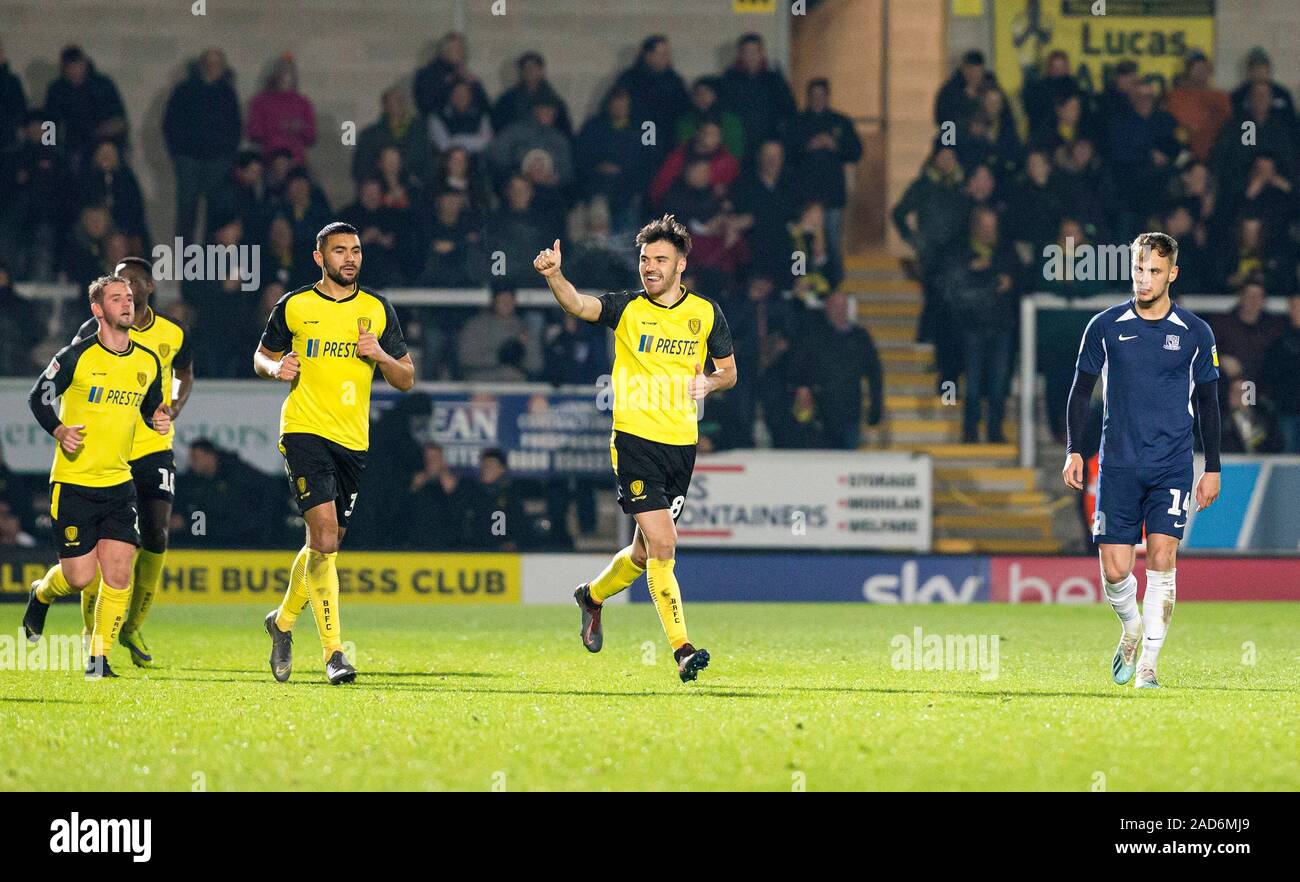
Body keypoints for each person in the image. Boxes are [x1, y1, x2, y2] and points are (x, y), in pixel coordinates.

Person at [534, 215, 736, 683]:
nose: (649, 267)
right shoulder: (627, 308)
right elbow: (578, 305)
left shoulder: (706, 314)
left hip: (681, 447)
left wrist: (708, 382)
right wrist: (554, 276)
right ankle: (683, 650)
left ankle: (592, 595)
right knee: (665, 542)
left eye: (660, 260)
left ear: (681, 265)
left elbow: (728, 371)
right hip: (634, 442)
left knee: (646, 554)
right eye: (645, 259)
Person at [253, 221, 414, 685]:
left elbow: (406, 378)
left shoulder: (378, 309)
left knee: (327, 544)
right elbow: (261, 356)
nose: (350, 258)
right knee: (323, 538)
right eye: (340, 250)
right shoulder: (296, 305)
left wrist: (380, 355)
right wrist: (275, 367)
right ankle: (335, 654)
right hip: (304, 430)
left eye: (357, 250)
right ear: (319, 257)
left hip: (353, 440)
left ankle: (282, 622)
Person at [1063, 232, 1221, 690]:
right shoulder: (1105, 326)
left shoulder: (1195, 333)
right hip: (1117, 464)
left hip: (1171, 464)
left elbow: (1210, 403)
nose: (1145, 279)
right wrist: (1075, 448)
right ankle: (1131, 627)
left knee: (1162, 560)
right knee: (1114, 569)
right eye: (1138, 269)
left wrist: (1212, 467)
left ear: (1172, 273)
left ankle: (1149, 663)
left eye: (1154, 270)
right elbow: (1081, 390)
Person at [22, 275, 169, 679]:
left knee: (119, 571)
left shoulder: (147, 361)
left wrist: (157, 418)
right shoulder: (76, 356)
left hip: (119, 484)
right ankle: (42, 592)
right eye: (117, 299)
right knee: (79, 577)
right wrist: (59, 430)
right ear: (98, 310)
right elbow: (37, 396)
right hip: (73, 484)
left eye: (130, 298)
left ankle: (98, 659)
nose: (127, 303)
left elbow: (150, 406)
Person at [68, 256, 193, 666]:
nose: (127, 286)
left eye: (135, 280)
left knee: (156, 533)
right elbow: (72, 370)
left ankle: (133, 624)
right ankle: (93, 631)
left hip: (154, 446)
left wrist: (174, 404)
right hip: (109, 450)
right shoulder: (96, 329)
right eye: (120, 280)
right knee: (100, 544)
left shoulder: (173, 332)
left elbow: (185, 372)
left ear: (149, 288)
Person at [163, 49, 242, 242]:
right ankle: (185, 259)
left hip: (218, 160)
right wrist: (179, 152)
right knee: (187, 210)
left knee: (215, 211)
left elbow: (235, 125)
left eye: (217, 63)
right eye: (209, 63)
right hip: (189, 159)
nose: (212, 67)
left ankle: (210, 256)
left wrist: (228, 154)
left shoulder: (227, 92)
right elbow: (170, 123)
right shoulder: (185, 89)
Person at [786, 79, 862, 261]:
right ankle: (801, 279)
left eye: (821, 95)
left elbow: (856, 152)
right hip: (805, 192)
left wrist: (834, 145)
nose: (817, 99)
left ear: (828, 97)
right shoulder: (798, 122)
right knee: (802, 241)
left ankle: (833, 282)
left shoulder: (841, 121)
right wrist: (807, 147)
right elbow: (788, 153)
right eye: (814, 96)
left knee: (832, 240)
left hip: (832, 192)